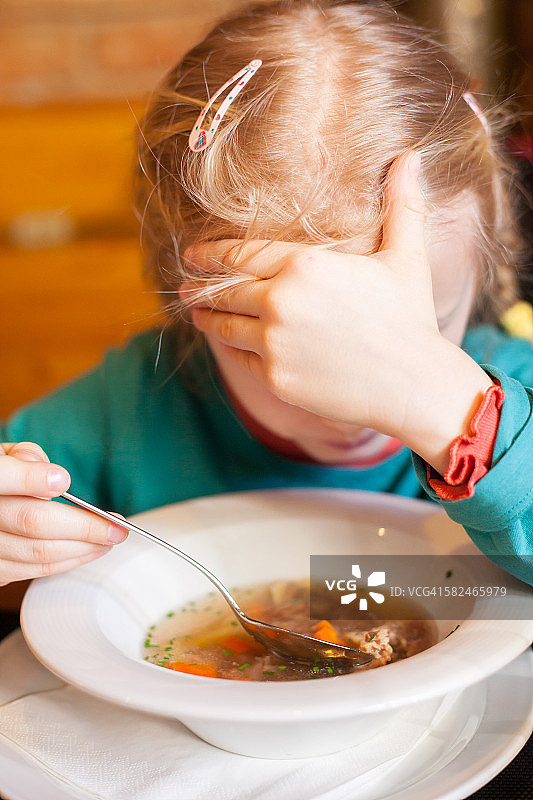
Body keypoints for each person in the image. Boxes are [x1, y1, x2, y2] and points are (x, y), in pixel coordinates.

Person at [1, 0, 532, 588]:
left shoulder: (515, 395)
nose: (347, 399)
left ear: (482, 267)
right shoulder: (114, 419)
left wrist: (455, 413)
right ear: (188, 294)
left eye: (411, 329)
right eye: (280, 335)